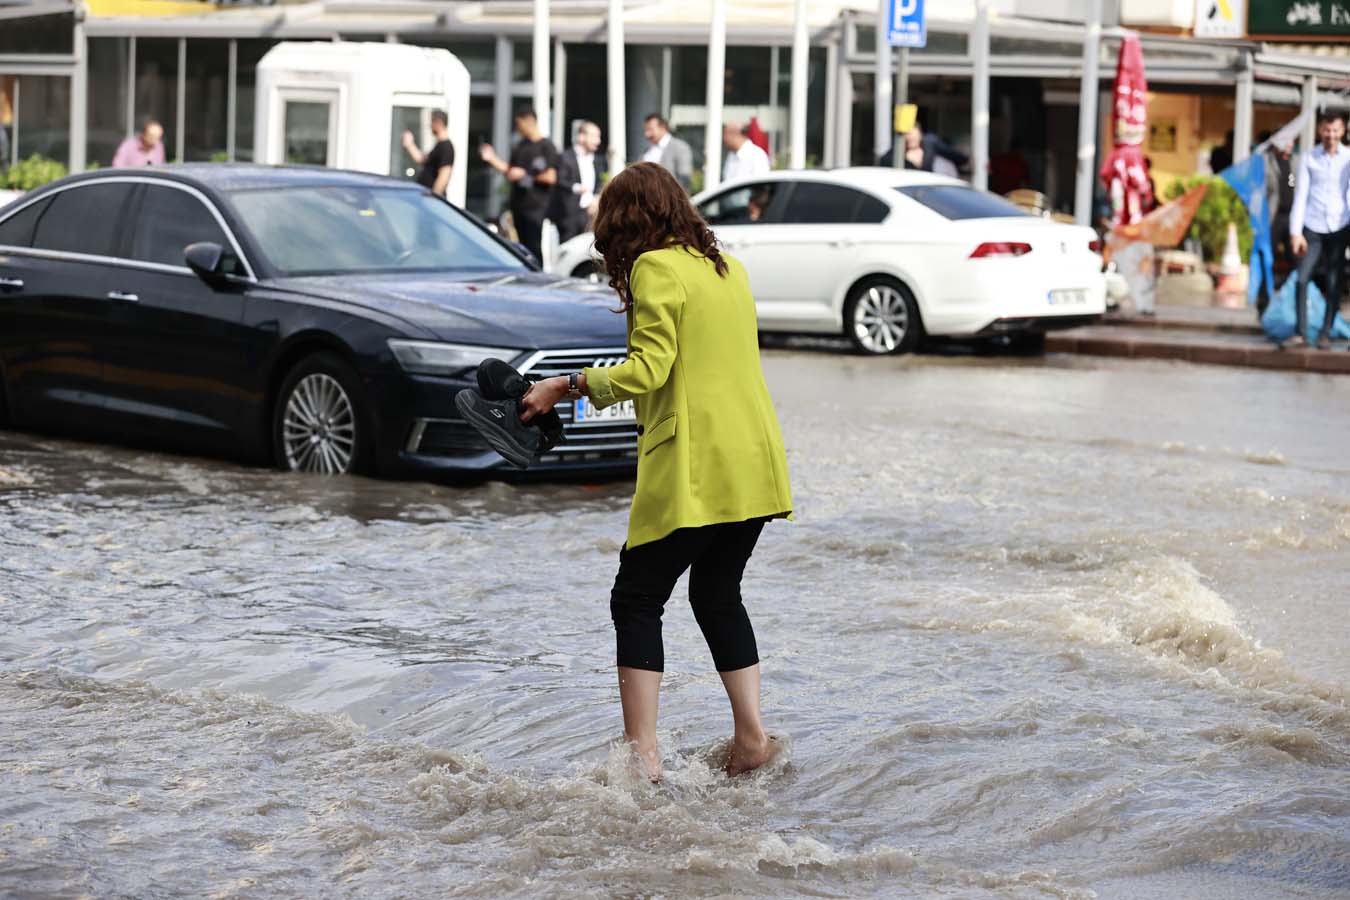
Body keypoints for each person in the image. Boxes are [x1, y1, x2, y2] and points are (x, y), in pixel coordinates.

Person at [516, 162, 794, 781]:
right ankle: (751, 739)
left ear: (625, 222)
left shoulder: (654, 267)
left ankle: (643, 758)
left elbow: (650, 369)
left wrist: (567, 384)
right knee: (717, 594)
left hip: (696, 467)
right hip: (753, 461)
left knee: (636, 598)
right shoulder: (727, 269)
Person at [1288, 110, 1350, 350]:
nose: (1330, 135)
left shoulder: (1348, 158)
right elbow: (1300, 195)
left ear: (1342, 131)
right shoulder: (1309, 157)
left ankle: (1326, 333)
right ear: (1319, 130)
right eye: (1326, 130)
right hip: (1312, 226)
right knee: (1302, 278)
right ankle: (1301, 333)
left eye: (1335, 130)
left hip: (1339, 225)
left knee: (1334, 282)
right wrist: (1296, 232)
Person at [479, 105, 559, 263]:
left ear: (530, 121)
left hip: (536, 207)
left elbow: (551, 177)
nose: (518, 128)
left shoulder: (546, 146)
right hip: (518, 205)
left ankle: (537, 274)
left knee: (534, 247)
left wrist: (525, 174)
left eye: (519, 124)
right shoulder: (520, 146)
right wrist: (492, 159)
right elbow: (510, 171)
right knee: (521, 249)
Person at [551, 120, 606, 244]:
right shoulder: (565, 156)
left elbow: (600, 182)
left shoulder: (599, 159)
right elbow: (559, 180)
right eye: (594, 136)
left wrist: (596, 198)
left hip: (590, 215)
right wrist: (577, 188)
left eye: (599, 137)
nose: (598, 141)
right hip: (568, 216)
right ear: (581, 137)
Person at [401, 110, 455, 199]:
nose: (430, 126)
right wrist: (409, 144)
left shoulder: (446, 147)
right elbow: (422, 159)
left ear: (438, 123)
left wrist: (433, 197)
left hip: (432, 199)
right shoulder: (439, 146)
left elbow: (444, 175)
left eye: (431, 122)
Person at [878, 122, 968, 174]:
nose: (910, 139)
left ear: (920, 134)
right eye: (907, 137)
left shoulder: (930, 143)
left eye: (913, 136)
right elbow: (883, 163)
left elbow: (951, 154)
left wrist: (967, 161)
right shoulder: (895, 153)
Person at [641, 114, 693, 191]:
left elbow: (684, 180)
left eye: (650, 129)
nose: (647, 134)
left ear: (663, 128)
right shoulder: (647, 150)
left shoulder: (680, 147)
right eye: (646, 130)